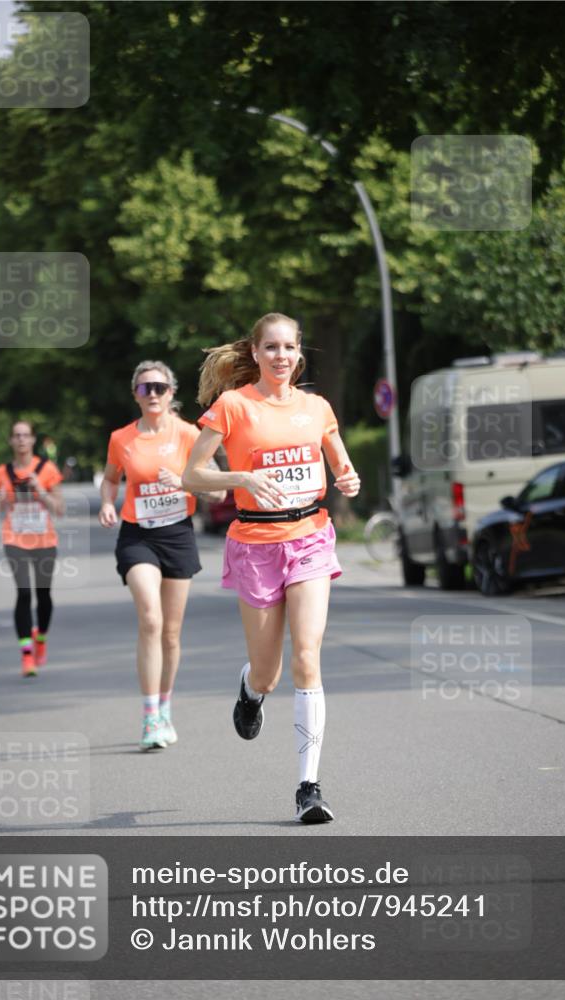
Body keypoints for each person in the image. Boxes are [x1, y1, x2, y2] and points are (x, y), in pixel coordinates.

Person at [182, 312, 360, 823]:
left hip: (309, 537)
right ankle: (250, 689)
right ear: (255, 353)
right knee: (269, 671)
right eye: (271, 348)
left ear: (299, 352)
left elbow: (341, 467)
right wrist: (243, 477)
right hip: (256, 543)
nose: (281, 356)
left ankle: (309, 786)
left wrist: (348, 482)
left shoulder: (317, 407)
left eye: (289, 347)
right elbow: (192, 474)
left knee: (307, 656)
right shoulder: (232, 406)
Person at [98, 361, 225, 751]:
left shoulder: (189, 434)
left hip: (177, 536)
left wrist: (187, 481)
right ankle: (150, 715)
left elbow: (218, 492)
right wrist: (107, 503)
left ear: (172, 392)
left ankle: (165, 706)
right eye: (144, 388)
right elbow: (110, 478)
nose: (152, 394)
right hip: (138, 536)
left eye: (159, 387)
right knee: (150, 619)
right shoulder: (122, 438)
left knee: (171, 633)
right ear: (135, 394)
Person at [0, 421, 64, 677]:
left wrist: (40, 490)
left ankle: (40, 638)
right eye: (17, 436)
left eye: (26, 435)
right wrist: (3, 498)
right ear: (11, 441)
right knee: (24, 593)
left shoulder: (47, 468)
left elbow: (60, 508)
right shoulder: (2, 471)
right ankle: (26, 656)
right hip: (15, 539)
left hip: (44, 540)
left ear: (33, 440)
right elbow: (0, 508)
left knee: (43, 595)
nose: (21, 440)